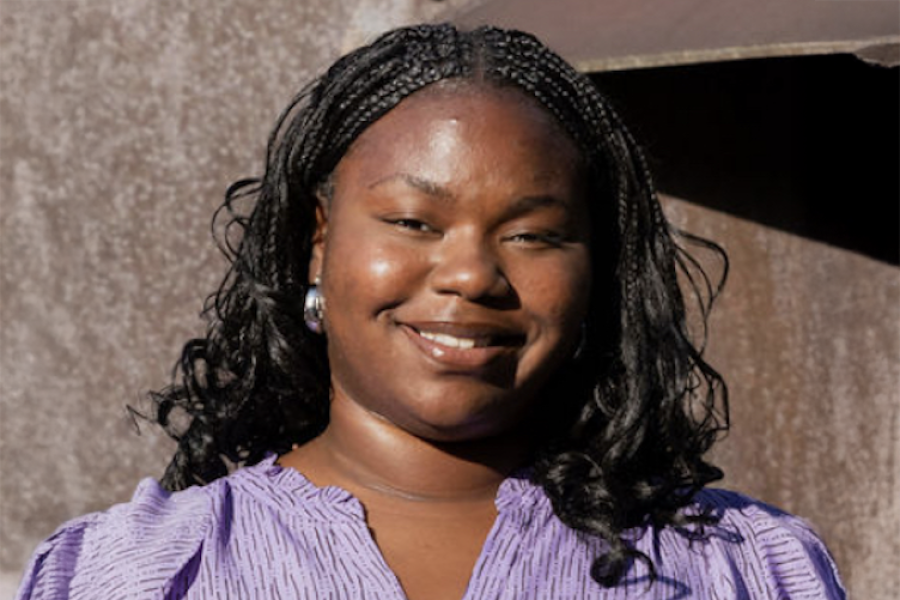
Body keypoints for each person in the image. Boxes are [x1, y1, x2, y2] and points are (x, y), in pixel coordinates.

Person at [15, 23, 845, 600]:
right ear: (318, 243)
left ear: (599, 273)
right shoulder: (136, 571)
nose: (472, 274)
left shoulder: (746, 568)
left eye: (534, 234)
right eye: (414, 222)